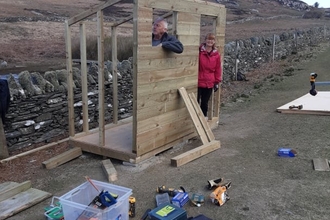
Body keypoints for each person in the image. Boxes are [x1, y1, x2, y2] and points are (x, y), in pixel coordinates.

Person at [197, 33, 222, 117]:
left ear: (214, 42)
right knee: (195, 101)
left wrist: (217, 82)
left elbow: (218, 69)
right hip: (198, 80)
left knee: (204, 102)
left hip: (209, 82)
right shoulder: (199, 52)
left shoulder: (216, 55)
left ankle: (204, 120)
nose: (210, 41)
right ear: (205, 40)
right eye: (208, 39)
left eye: (212, 40)